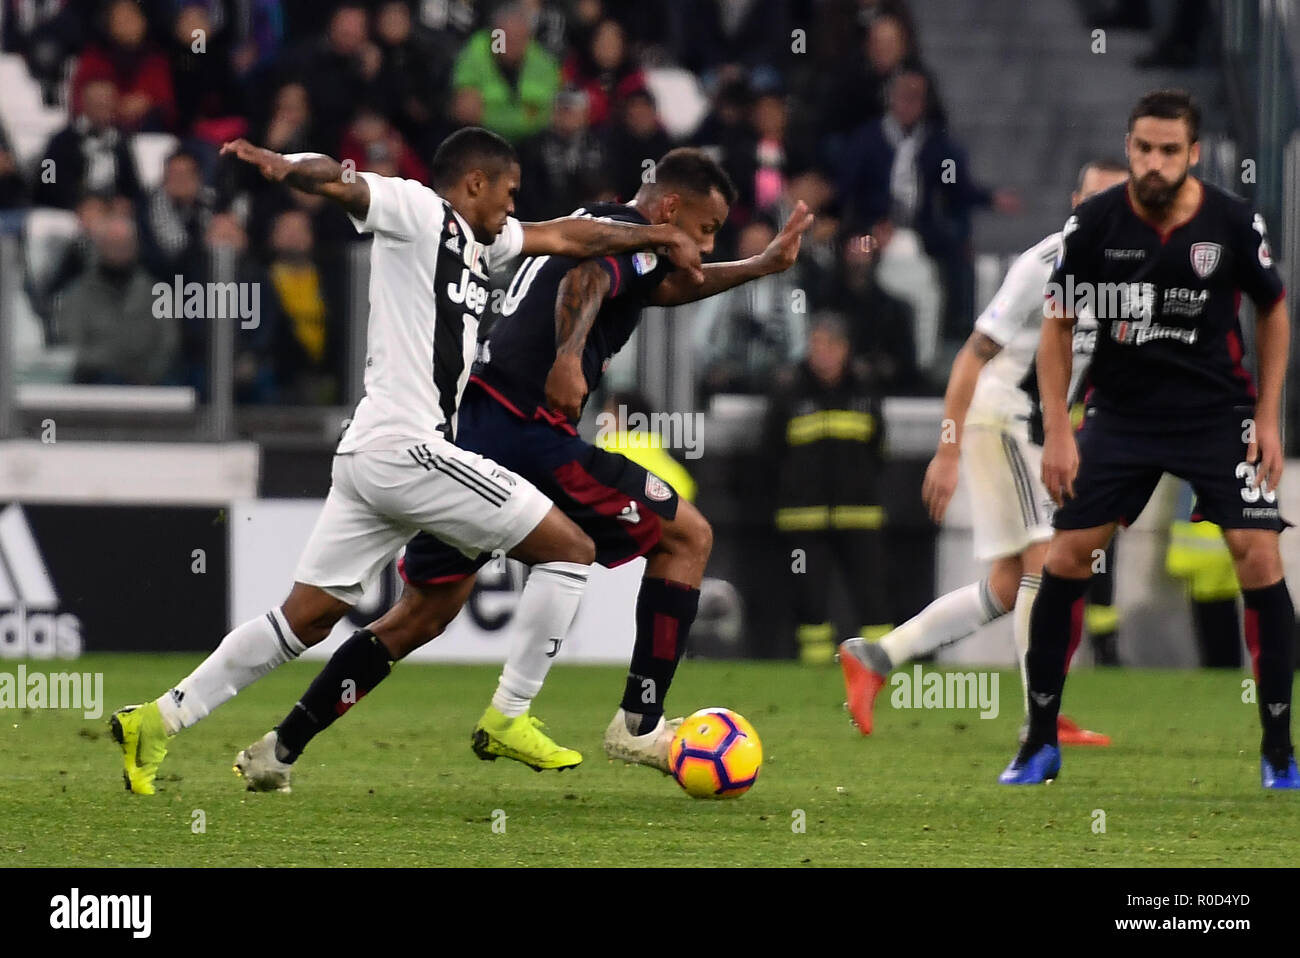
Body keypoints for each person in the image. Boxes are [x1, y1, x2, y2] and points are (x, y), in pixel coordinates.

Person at [108, 126, 704, 795]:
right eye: (508, 192)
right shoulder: (418, 209)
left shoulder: (486, 241)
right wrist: (284, 166)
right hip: (406, 447)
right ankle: (509, 715)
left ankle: (158, 720)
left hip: (369, 456)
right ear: (474, 182)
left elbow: (570, 237)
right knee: (570, 549)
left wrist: (658, 238)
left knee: (304, 618)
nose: (513, 207)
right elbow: (341, 180)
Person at [232, 149, 812, 789]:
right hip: (528, 432)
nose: (704, 247)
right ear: (671, 207)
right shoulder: (622, 239)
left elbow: (669, 285)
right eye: (706, 230)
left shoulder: (601, 224)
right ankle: (637, 723)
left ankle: (279, 749)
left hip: (473, 430)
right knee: (688, 535)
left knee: (423, 613)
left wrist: (762, 265)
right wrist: (568, 358)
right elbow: (588, 281)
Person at [999, 90, 1298, 789]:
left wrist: (1271, 415)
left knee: (1258, 556)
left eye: (1169, 151)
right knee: (1069, 554)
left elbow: (1274, 307)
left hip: (1219, 415)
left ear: (1193, 154)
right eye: (1143, 149)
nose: (1154, 163)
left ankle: (1279, 752)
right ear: (1129, 147)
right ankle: (1040, 741)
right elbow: (1058, 326)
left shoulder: (1230, 220)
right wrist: (1056, 432)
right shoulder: (1095, 223)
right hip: (1122, 416)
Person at [838, 159, 1129, 740]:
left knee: (1005, 585)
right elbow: (971, 355)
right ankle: (1040, 715)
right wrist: (946, 451)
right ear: (1075, 200)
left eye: (1114, 200)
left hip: (1034, 429)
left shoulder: (1126, 273)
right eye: (1093, 198)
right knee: (1043, 566)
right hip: (1004, 420)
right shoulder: (1042, 265)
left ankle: (876, 657)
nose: (1102, 211)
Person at [766, 315, 890, 665]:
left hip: (860, 516)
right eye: (816, 345)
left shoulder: (865, 389)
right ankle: (814, 672)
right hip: (802, 521)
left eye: (830, 346)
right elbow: (771, 452)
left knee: (873, 601)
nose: (822, 354)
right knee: (810, 602)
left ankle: (879, 668)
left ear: (845, 349)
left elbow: (879, 447)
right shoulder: (788, 390)